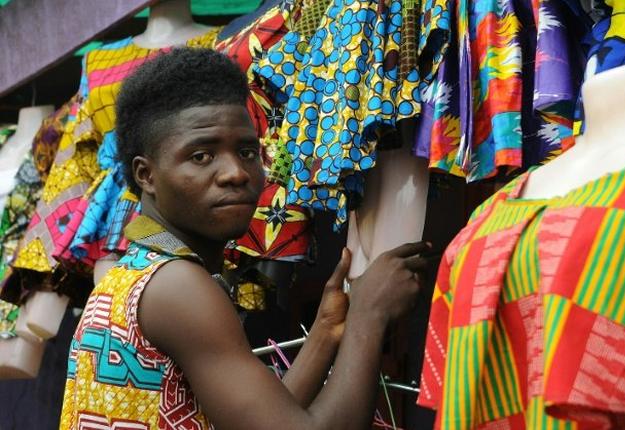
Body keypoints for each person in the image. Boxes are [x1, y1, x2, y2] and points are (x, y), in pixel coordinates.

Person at [59, 47, 429, 430]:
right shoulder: (177, 287)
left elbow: (264, 418)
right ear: (146, 175)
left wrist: (327, 330)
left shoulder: (133, 275)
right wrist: (369, 316)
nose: (236, 173)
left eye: (248, 151)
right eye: (202, 156)